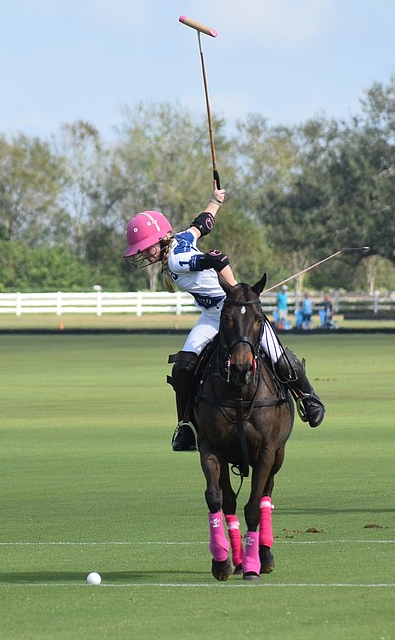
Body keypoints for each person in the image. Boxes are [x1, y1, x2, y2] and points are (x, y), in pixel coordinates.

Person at [122, 185, 326, 452]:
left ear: (160, 240)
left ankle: (309, 399)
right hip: (211, 316)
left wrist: (237, 295)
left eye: (146, 248)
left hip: (233, 313)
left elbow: (218, 258)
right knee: (183, 365)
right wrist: (214, 201)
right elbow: (202, 225)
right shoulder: (181, 239)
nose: (144, 253)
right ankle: (186, 425)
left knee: (279, 358)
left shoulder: (176, 261)